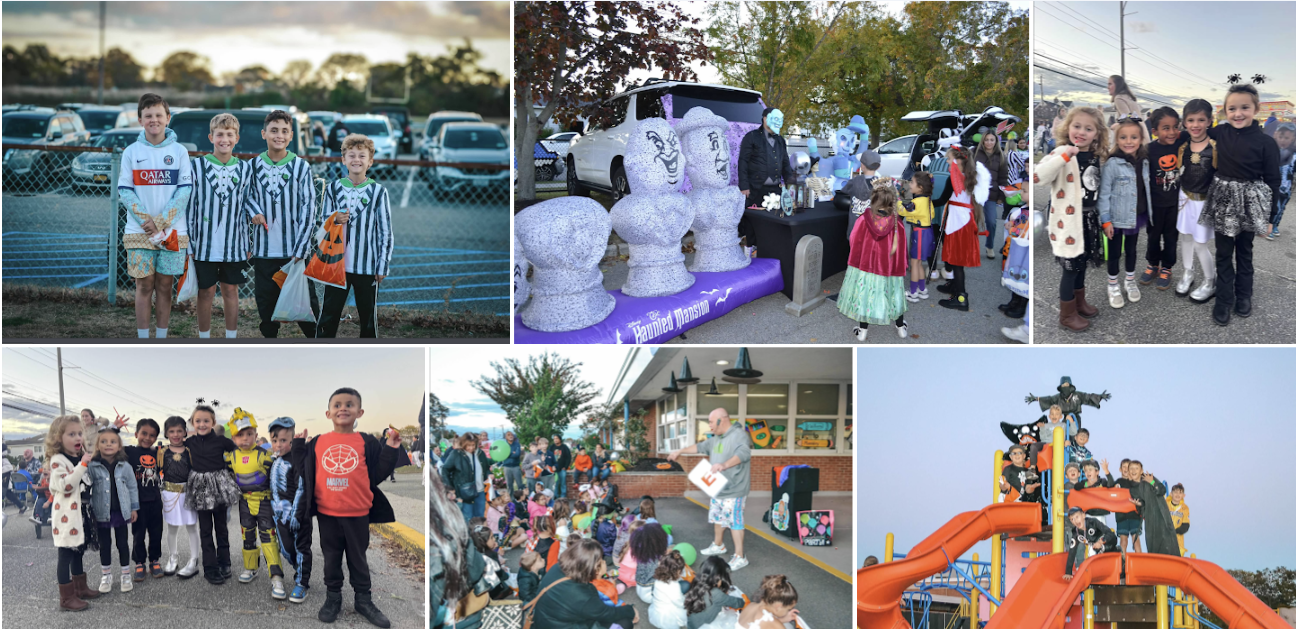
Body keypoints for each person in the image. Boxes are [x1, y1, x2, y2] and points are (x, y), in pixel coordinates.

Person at [289, 387, 403, 627]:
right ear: (328, 413)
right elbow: (303, 471)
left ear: (359, 412)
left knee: (358, 559)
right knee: (331, 558)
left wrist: (392, 448)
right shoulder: (319, 442)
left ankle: (363, 599)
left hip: (357, 514)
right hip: (327, 514)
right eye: (337, 405)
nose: (343, 408)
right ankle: (333, 598)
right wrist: (298, 445)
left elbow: (378, 473)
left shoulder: (366, 441)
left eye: (349, 405)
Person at [1199, 84, 1282, 326]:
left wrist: (1270, 217)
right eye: (1232, 108)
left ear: (1256, 109)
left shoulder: (1266, 143)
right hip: (1223, 200)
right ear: (1225, 111)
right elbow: (1196, 131)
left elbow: (1273, 181)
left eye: (1244, 107)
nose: (1238, 113)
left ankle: (1244, 296)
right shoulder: (1221, 132)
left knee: (1244, 252)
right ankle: (1224, 300)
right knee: (1224, 253)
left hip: (1250, 202)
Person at [118, 93, 193, 339]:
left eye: (159, 115)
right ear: (140, 120)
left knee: (164, 286)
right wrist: (146, 222)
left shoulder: (180, 151)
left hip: (172, 233)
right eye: (148, 115)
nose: (154, 120)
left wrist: (160, 222)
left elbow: (184, 191)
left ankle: (161, 337)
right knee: (143, 285)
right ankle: (143, 337)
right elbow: (125, 190)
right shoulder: (131, 152)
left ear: (168, 118)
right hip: (139, 233)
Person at [247, 110, 320, 338]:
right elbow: (246, 196)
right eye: (274, 130)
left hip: (294, 252)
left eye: (284, 131)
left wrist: (301, 249)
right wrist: (255, 212)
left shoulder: (301, 167)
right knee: (266, 304)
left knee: (305, 305)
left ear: (290, 136)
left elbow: (309, 207)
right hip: (264, 250)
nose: (279, 135)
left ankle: (320, 342)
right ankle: (270, 344)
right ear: (264, 133)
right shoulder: (253, 165)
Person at [315, 134, 394, 339]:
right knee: (329, 314)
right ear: (343, 159)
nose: (356, 160)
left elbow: (385, 231)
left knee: (368, 318)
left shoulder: (378, 192)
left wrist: (382, 265)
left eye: (362, 155)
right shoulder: (333, 188)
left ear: (370, 161)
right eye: (351, 155)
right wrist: (334, 218)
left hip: (366, 266)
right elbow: (323, 223)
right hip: (337, 265)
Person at [1037, 106, 1109, 332]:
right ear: (1067, 127)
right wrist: (1065, 156)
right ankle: (1067, 315)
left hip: (1088, 220)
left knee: (1083, 264)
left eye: (1089, 129)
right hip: (1068, 224)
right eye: (1077, 126)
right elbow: (1039, 176)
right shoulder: (1060, 153)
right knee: (1070, 268)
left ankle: (1079, 303)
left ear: (1096, 134)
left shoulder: (1096, 157)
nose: (1081, 132)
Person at [187, 113, 257, 339]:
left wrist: (249, 239)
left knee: (230, 290)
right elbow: (190, 204)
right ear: (211, 137)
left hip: (234, 243)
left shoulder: (246, 169)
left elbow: (248, 202)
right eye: (220, 134)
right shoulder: (196, 166)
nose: (224, 139)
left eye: (229, 134)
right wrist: (188, 241)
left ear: (236, 138)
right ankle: (204, 338)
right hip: (203, 243)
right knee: (205, 291)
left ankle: (231, 337)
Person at [667, 408, 753, 571]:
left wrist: (724, 464)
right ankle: (718, 545)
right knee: (718, 518)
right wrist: (680, 451)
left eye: (712, 422)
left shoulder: (738, 435)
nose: (710, 426)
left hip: (734, 489)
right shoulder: (716, 438)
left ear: (722, 420)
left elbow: (744, 453)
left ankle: (740, 557)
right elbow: (699, 447)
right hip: (718, 488)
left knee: (735, 522)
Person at [222, 410, 284, 598]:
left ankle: (276, 577)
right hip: (244, 503)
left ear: (256, 435)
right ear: (233, 437)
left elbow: (280, 475)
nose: (246, 439)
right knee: (247, 536)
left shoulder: (266, 456)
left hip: (264, 502)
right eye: (240, 435)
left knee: (268, 538)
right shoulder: (230, 457)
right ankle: (251, 568)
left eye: (250, 434)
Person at [838, 183, 910, 341]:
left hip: (867, 267)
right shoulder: (897, 224)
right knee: (894, 296)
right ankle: (900, 328)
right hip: (889, 270)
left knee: (865, 297)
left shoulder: (864, 219)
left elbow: (854, 239)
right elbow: (902, 248)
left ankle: (862, 331)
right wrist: (901, 266)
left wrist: (857, 258)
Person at [46, 415, 101, 611]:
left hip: (82, 512)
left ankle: (80, 588)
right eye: (71, 434)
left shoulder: (78, 457)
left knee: (79, 549)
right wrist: (83, 464)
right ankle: (66, 598)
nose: (78, 437)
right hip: (67, 516)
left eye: (80, 433)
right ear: (58, 438)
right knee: (66, 553)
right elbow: (66, 485)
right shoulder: (58, 460)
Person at [1099, 117, 1154, 309]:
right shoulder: (1112, 164)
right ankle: (1112, 285)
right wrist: (1105, 220)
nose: (1128, 141)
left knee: (1132, 250)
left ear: (1141, 139)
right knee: (1114, 253)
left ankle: (1129, 281)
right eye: (1123, 137)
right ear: (1117, 139)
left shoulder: (1145, 161)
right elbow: (1104, 194)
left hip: (1135, 216)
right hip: (1115, 218)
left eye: (1133, 137)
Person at [184, 403, 240, 584]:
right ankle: (210, 567)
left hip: (219, 490)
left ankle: (225, 562)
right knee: (205, 530)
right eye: (198, 421)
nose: (202, 424)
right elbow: (173, 449)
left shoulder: (222, 441)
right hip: (200, 491)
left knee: (222, 528)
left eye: (206, 421)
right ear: (192, 422)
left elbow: (239, 453)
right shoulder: (189, 442)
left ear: (213, 422)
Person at [530, 537, 639, 629]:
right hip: (564, 624)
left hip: (546, 621)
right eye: (600, 560)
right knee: (626, 623)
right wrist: (631, 610)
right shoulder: (582, 595)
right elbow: (606, 613)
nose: (603, 562)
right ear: (593, 567)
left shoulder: (557, 568)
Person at [934, 146, 989, 312]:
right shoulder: (970, 175)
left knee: (956, 260)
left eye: (949, 159)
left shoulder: (954, 178)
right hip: (963, 219)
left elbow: (942, 199)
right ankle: (954, 286)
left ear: (958, 161)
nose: (947, 162)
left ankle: (961, 297)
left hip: (958, 222)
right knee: (954, 257)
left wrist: (924, 201)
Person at [1176, 99, 1220, 301]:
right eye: (1191, 120)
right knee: (1185, 237)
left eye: (1201, 120)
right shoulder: (1183, 144)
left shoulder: (1215, 146)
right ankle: (1188, 272)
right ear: (1184, 122)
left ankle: (1210, 281)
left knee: (1200, 243)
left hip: (1204, 202)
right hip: (1184, 198)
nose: (1195, 125)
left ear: (1210, 121)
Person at [87, 427, 139, 594]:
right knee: (104, 545)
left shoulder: (125, 466)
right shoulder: (92, 466)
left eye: (112, 442)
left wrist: (134, 508)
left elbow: (132, 487)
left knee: (122, 543)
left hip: (121, 512)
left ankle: (125, 575)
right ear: (97, 445)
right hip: (101, 512)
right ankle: (106, 576)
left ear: (119, 446)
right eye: (103, 441)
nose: (108, 444)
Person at [1144, 107, 1189, 289]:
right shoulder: (1148, 150)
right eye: (1166, 128)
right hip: (1153, 205)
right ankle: (1153, 264)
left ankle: (1167, 268)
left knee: (1171, 237)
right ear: (1154, 132)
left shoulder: (1181, 143)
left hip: (1174, 204)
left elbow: (1201, 131)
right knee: (1153, 237)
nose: (1171, 132)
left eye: (1174, 127)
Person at [736, 107, 795, 247]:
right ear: (764, 118)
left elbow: (785, 163)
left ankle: (769, 248)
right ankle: (751, 249)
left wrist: (791, 184)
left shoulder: (780, 140)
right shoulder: (751, 137)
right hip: (755, 188)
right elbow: (743, 161)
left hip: (775, 189)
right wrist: (744, 186)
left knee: (773, 221)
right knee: (753, 221)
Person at [116, 417, 164, 580]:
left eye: (152, 435)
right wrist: (115, 429)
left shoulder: (158, 453)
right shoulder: (129, 452)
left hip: (155, 500)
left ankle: (154, 560)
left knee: (156, 533)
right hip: (137, 503)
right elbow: (110, 446)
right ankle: (139, 562)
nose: (147, 438)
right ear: (136, 434)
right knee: (138, 534)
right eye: (144, 433)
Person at [158, 415, 201, 579]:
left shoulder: (190, 451)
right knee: (172, 528)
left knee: (191, 527)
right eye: (171, 431)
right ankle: (173, 557)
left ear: (185, 432)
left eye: (179, 431)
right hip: (169, 494)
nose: (175, 434)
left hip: (188, 493)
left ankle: (193, 559)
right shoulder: (162, 452)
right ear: (166, 433)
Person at [1126, 461, 1179, 556]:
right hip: (1150, 520)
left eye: (1136, 468)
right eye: (1131, 468)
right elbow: (1142, 508)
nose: (1134, 471)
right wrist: (1138, 505)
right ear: (1128, 471)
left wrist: (1152, 482)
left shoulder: (1149, 477)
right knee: (1154, 543)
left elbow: (1162, 490)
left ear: (1141, 470)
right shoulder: (1133, 489)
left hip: (1162, 514)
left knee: (1168, 542)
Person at [972, 129, 1009, 259]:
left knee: (991, 222)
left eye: (991, 140)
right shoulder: (975, 152)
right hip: (975, 193)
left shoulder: (1001, 156)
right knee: (973, 222)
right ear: (983, 140)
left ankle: (989, 246)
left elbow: (1003, 178)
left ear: (996, 141)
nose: (989, 142)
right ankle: (971, 247)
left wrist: (1001, 196)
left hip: (991, 195)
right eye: (986, 140)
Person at [899, 172, 935, 302]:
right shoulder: (927, 200)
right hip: (927, 233)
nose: (910, 184)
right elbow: (931, 215)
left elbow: (903, 211)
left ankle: (913, 292)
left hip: (919, 234)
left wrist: (897, 202)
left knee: (914, 263)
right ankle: (922, 289)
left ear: (920, 187)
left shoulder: (916, 202)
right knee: (919, 263)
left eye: (912, 182)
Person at [441, 432, 491, 523]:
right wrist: (449, 488)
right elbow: (445, 469)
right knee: (468, 519)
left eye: (473, 445)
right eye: (468, 445)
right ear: (463, 444)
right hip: (464, 494)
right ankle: (468, 537)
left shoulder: (480, 453)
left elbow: (486, 468)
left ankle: (478, 536)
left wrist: (489, 474)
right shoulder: (456, 454)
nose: (471, 448)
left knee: (480, 518)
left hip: (480, 492)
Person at [685, 555, 745, 629]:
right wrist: (743, 601)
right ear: (718, 578)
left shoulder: (697, 582)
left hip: (691, 625)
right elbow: (737, 603)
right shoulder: (716, 594)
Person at [1062, 507, 1119, 580]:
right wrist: (1068, 573)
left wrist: (1101, 541)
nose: (1075, 521)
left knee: (1101, 548)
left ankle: (1118, 552)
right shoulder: (1076, 533)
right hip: (1098, 549)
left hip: (1109, 541)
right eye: (1072, 519)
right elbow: (1072, 552)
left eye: (1077, 517)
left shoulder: (1093, 522)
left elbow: (1110, 534)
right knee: (1096, 553)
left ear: (1083, 515)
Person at [648, 550, 689, 629]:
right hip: (668, 617)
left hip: (657, 612)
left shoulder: (658, 579)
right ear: (678, 571)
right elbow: (679, 603)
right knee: (686, 610)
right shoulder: (674, 586)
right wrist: (686, 600)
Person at [1267, 123, 1295, 240]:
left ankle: (1275, 226)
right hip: (1274, 187)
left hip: (1287, 188)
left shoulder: (1293, 155)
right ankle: (1269, 227)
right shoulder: (1272, 152)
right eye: (1281, 137)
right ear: (1275, 136)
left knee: (1282, 208)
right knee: (1275, 207)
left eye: (1287, 138)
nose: (1283, 140)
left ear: (1293, 138)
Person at [631, 522, 671, 602]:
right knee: (684, 584)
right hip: (652, 595)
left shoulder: (642, 554)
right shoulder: (658, 562)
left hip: (641, 590)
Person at [1108, 75, 1150, 146]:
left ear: (1117, 85)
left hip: (1134, 136)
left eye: (1110, 84)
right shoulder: (1128, 97)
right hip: (1142, 131)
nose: (1108, 87)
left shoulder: (1119, 98)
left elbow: (1128, 119)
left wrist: (1115, 125)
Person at [1112, 460, 1144, 553]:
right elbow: (1110, 488)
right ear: (1120, 469)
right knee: (1123, 541)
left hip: (1134, 515)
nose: (1126, 469)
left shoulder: (1136, 482)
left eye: (1128, 467)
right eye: (1124, 467)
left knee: (1136, 540)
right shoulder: (1118, 482)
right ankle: (1122, 562)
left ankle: (1139, 561)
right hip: (1121, 516)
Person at [1166, 483, 1190, 556]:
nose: (1177, 495)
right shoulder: (1165, 504)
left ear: (1183, 495)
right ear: (1171, 494)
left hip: (1177, 539)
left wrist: (1175, 531)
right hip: (1165, 536)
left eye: (1180, 493)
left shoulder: (1185, 508)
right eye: (1175, 492)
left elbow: (1186, 524)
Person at [500, 431, 523, 495]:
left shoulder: (517, 444)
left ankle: (521, 498)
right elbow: (503, 455)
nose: (511, 436)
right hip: (507, 467)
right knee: (509, 485)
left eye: (512, 435)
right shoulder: (504, 445)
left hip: (516, 466)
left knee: (520, 484)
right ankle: (511, 499)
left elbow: (517, 454)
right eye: (508, 435)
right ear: (506, 437)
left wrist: (508, 453)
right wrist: (512, 453)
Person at [549, 435, 572, 499]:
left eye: (557, 438)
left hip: (562, 469)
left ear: (560, 439)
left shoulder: (564, 447)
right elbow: (549, 457)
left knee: (563, 484)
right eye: (554, 439)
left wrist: (566, 466)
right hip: (554, 469)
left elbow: (568, 457)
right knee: (555, 484)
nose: (555, 440)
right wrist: (551, 466)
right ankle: (555, 496)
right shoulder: (551, 447)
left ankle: (563, 497)